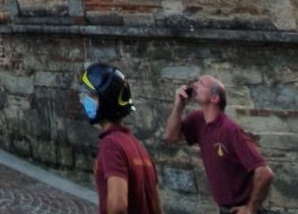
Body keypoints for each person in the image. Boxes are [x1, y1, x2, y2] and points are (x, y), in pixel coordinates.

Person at [164, 74, 273, 214]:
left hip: (239, 208)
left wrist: (250, 208)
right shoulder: (198, 120)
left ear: (214, 98)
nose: (195, 85)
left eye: (201, 83)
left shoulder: (230, 130)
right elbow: (170, 137)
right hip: (224, 208)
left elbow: (265, 173)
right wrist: (178, 106)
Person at [79, 62, 163, 214]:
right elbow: (157, 208)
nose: (87, 100)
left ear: (105, 101)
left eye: (93, 95)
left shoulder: (111, 145)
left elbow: (118, 206)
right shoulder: (137, 146)